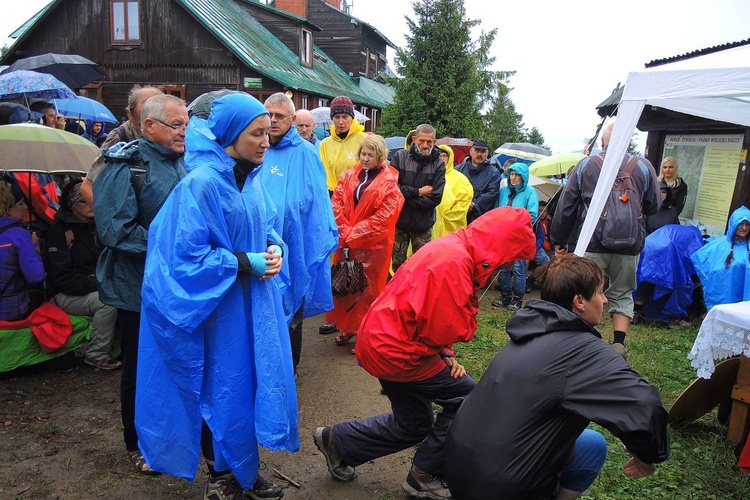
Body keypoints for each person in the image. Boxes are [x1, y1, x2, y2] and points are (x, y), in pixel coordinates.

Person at [135, 92, 295, 500]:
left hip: (251, 309)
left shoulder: (252, 180)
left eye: (267, 132)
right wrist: (241, 262)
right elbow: (179, 258)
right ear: (230, 134)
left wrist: (276, 247)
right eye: (256, 133)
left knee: (246, 389)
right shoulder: (201, 185)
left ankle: (243, 472)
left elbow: (266, 227)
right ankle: (222, 478)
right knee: (220, 390)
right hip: (216, 312)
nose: (265, 141)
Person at [314, 207, 536, 500]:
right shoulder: (455, 262)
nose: (508, 265)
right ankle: (424, 475)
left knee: (414, 424)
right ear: (501, 245)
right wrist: (448, 345)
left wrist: (444, 352)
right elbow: (448, 326)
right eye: (511, 257)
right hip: (397, 350)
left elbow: (428, 313)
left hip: (386, 340)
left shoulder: (455, 248)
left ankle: (339, 443)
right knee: (471, 399)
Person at [444, 254, 670, 500]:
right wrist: (647, 456)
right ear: (579, 301)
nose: (605, 300)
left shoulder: (529, 332)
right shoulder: (583, 351)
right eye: (600, 292)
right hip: (503, 489)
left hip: (458, 470)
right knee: (589, 445)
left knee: (591, 443)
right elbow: (645, 407)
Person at [93, 94, 188, 474]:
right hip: (137, 287)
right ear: (149, 127)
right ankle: (138, 443)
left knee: (173, 360)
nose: (184, 131)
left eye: (186, 124)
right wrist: (174, 248)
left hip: (177, 286)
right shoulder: (126, 164)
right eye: (176, 125)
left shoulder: (185, 161)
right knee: (139, 365)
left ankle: (172, 435)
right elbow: (115, 230)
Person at [550, 121, 661, 359]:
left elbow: (567, 206)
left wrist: (559, 238)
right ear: (628, 141)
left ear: (603, 142)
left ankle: (583, 339)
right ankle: (619, 342)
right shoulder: (643, 166)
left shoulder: (587, 165)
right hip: (630, 245)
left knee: (584, 289)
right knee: (622, 292)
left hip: (592, 242)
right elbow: (654, 205)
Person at [259, 92, 338, 374]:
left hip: (295, 244)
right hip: (260, 245)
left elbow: (317, 207)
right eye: (268, 114)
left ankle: (288, 369)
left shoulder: (305, 154)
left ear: (292, 120)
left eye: (279, 116)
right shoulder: (257, 147)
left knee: (292, 303)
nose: (272, 120)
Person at [324, 134, 404, 350]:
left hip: (373, 247)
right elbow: (337, 203)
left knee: (369, 291)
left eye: (371, 154)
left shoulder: (389, 184)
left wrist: (353, 234)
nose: (366, 158)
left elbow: (384, 218)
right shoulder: (349, 175)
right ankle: (349, 328)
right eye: (363, 154)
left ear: (380, 157)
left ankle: (365, 334)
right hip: (349, 244)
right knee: (348, 287)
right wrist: (346, 232)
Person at [44, 180, 119, 370]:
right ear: (72, 205)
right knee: (107, 304)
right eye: (84, 201)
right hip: (66, 294)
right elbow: (62, 278)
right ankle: (96, 354)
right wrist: (99, 282)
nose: (91, 205)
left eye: (92, 199)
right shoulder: (59, 233)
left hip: (97, 285)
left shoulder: (97, 226)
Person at [81, 85, 164, 204]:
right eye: (146, 104)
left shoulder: (169, 138)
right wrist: (109, 219)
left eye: (158, 104)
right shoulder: (119, 137)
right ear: (129, 113)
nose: (153, 109)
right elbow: (88, 186)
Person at [389, 123, 445, 272]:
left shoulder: (439, 164)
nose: (425, 145)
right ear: (414, 139)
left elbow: (435, 198)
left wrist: (405, 198)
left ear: (435, 141)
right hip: (400, 222)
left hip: (423, 225)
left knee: (422, 266)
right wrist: (418, 192)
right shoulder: (400, 157)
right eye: (422, 141)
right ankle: (398, 294)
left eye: (429, 141)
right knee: (396, 265)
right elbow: (391, 188)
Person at [492, 162, 539, 310]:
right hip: (504, 235)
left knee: (518, 268)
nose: (513, 177)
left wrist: (513, 221)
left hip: (520, 235)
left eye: (517, 174)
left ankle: (518, 300)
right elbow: (497, 210)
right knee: (504, 266)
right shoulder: (504, 191)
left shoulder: (530, 192)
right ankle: (505, 297)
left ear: (523, 176)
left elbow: (532, 214)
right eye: (511, 174)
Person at [691, 205, 750, 311]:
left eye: (747, 224)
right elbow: (700, 260)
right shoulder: (719, 245)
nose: (744, 228)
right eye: (740, 223)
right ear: (733, 224)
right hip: (725, 297)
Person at [0, 181, 44, 322]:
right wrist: (35, 247)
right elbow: (36, 276)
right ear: (6, 207)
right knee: (40, 296)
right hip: (9, 312)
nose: (26, 208)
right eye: (20, 204)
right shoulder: (18, 235)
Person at [319, 95, 367, 191]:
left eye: (345, 117)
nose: (341, 122)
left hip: (357, 195)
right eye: (337, 117)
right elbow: (320, 173)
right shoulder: (325, 144)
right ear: (332, 119)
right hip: (332, 197)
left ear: (352, 118)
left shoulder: (365, 140)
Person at [455, 139, 501, 224]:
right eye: (477, 150)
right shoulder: (458, 169)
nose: (479, 154)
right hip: (458, 214)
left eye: (483, 151)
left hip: (480, 219)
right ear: (471, 151)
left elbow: (491, 193)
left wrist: (473, 204)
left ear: (487, 153)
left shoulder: (494, 173)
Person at [431, 145, 473, 239]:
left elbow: (464, 202)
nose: (442, 158)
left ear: (450, 158)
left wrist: (446, 217)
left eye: (444, 156)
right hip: (429, 225)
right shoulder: (428, 174)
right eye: (439, 156)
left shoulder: (460, 179)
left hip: (450, 228)